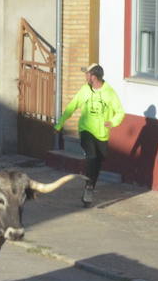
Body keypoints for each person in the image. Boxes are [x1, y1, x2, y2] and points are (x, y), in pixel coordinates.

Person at [53, 63, 125, 207]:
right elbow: (72, 106)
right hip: (86, 130)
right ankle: (89, 188)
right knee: (91, 156)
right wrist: (59, 124)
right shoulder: (85, 90)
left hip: (102, 134)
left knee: (98, 160)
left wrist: (113, 122)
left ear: (94, 77)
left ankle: (90, 185)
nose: (85, 76)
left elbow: (120, 112)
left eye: (87, 74)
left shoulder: (109, 93)